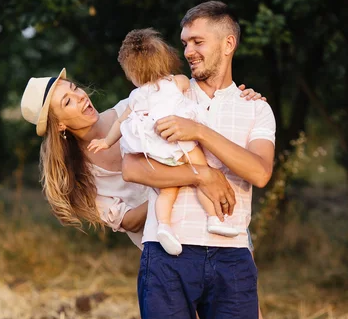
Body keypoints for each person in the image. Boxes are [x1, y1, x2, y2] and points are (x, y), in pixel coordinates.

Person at [121, 1, 276, 319]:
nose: (188, 50)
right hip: (166, 255)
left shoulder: (257, 110)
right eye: (185, 42)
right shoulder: (162, 93)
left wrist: (200, 132)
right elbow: (131, 167)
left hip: (232, 256)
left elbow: (261, 172)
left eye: (198, 41)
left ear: (228, 44)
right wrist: (202, 174)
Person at [87, 28, 241, 256]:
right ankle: (214, 219)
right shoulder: (175, 82)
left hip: (157, 153)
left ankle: (165, 227)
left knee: (167, 192)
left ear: (132, 73)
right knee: (203, 172)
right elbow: (196, 87)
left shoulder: (137, 96)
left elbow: (120, 122)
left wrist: (106, 142)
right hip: (181, 145)